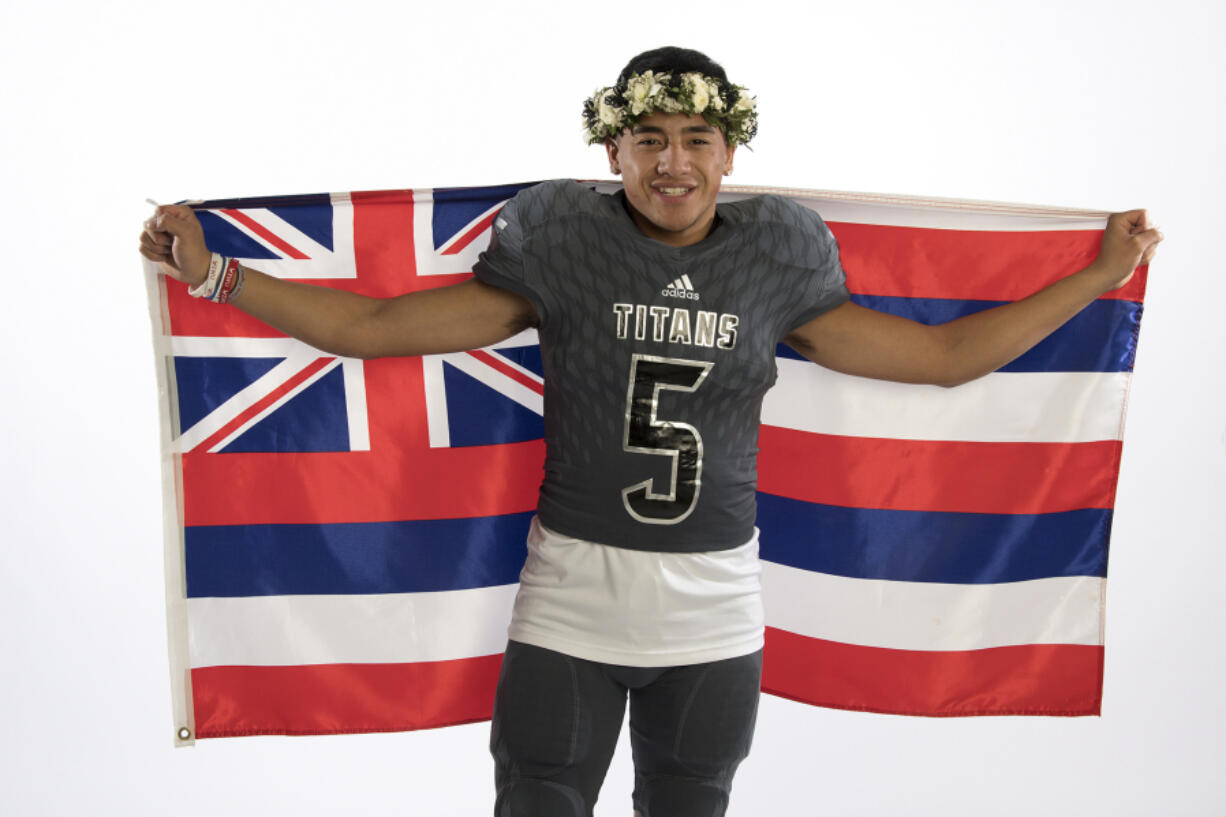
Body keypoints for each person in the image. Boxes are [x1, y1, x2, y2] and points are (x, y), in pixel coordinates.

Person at [140, 46, 1162, 817]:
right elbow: (369, 330)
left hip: (713, 612)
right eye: (649, 140)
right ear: (611, 148)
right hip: (570, 602)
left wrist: (1094, 277)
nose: (672, 163)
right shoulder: (562, 241)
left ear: (730, 151)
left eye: (695, 140)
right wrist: (215, 274)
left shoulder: (776, 257)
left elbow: (940, 361)